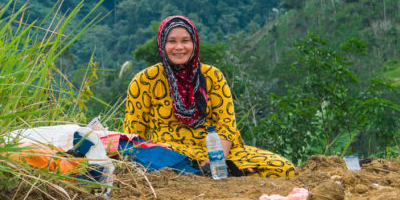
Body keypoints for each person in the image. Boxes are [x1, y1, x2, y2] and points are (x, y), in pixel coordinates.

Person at [124, 15, 295, 178]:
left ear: (194, 43)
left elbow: (226, 125)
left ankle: (215, 172)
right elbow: (133, 135)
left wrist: (217, 160)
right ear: (162, 44)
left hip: (217, 151)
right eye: (172, 41)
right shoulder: (145, 80)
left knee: (283, 168)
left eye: (185, 41)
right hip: (170, 152)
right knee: (159, 159)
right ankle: (211, 173)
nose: (179, 47)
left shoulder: (213, 76)